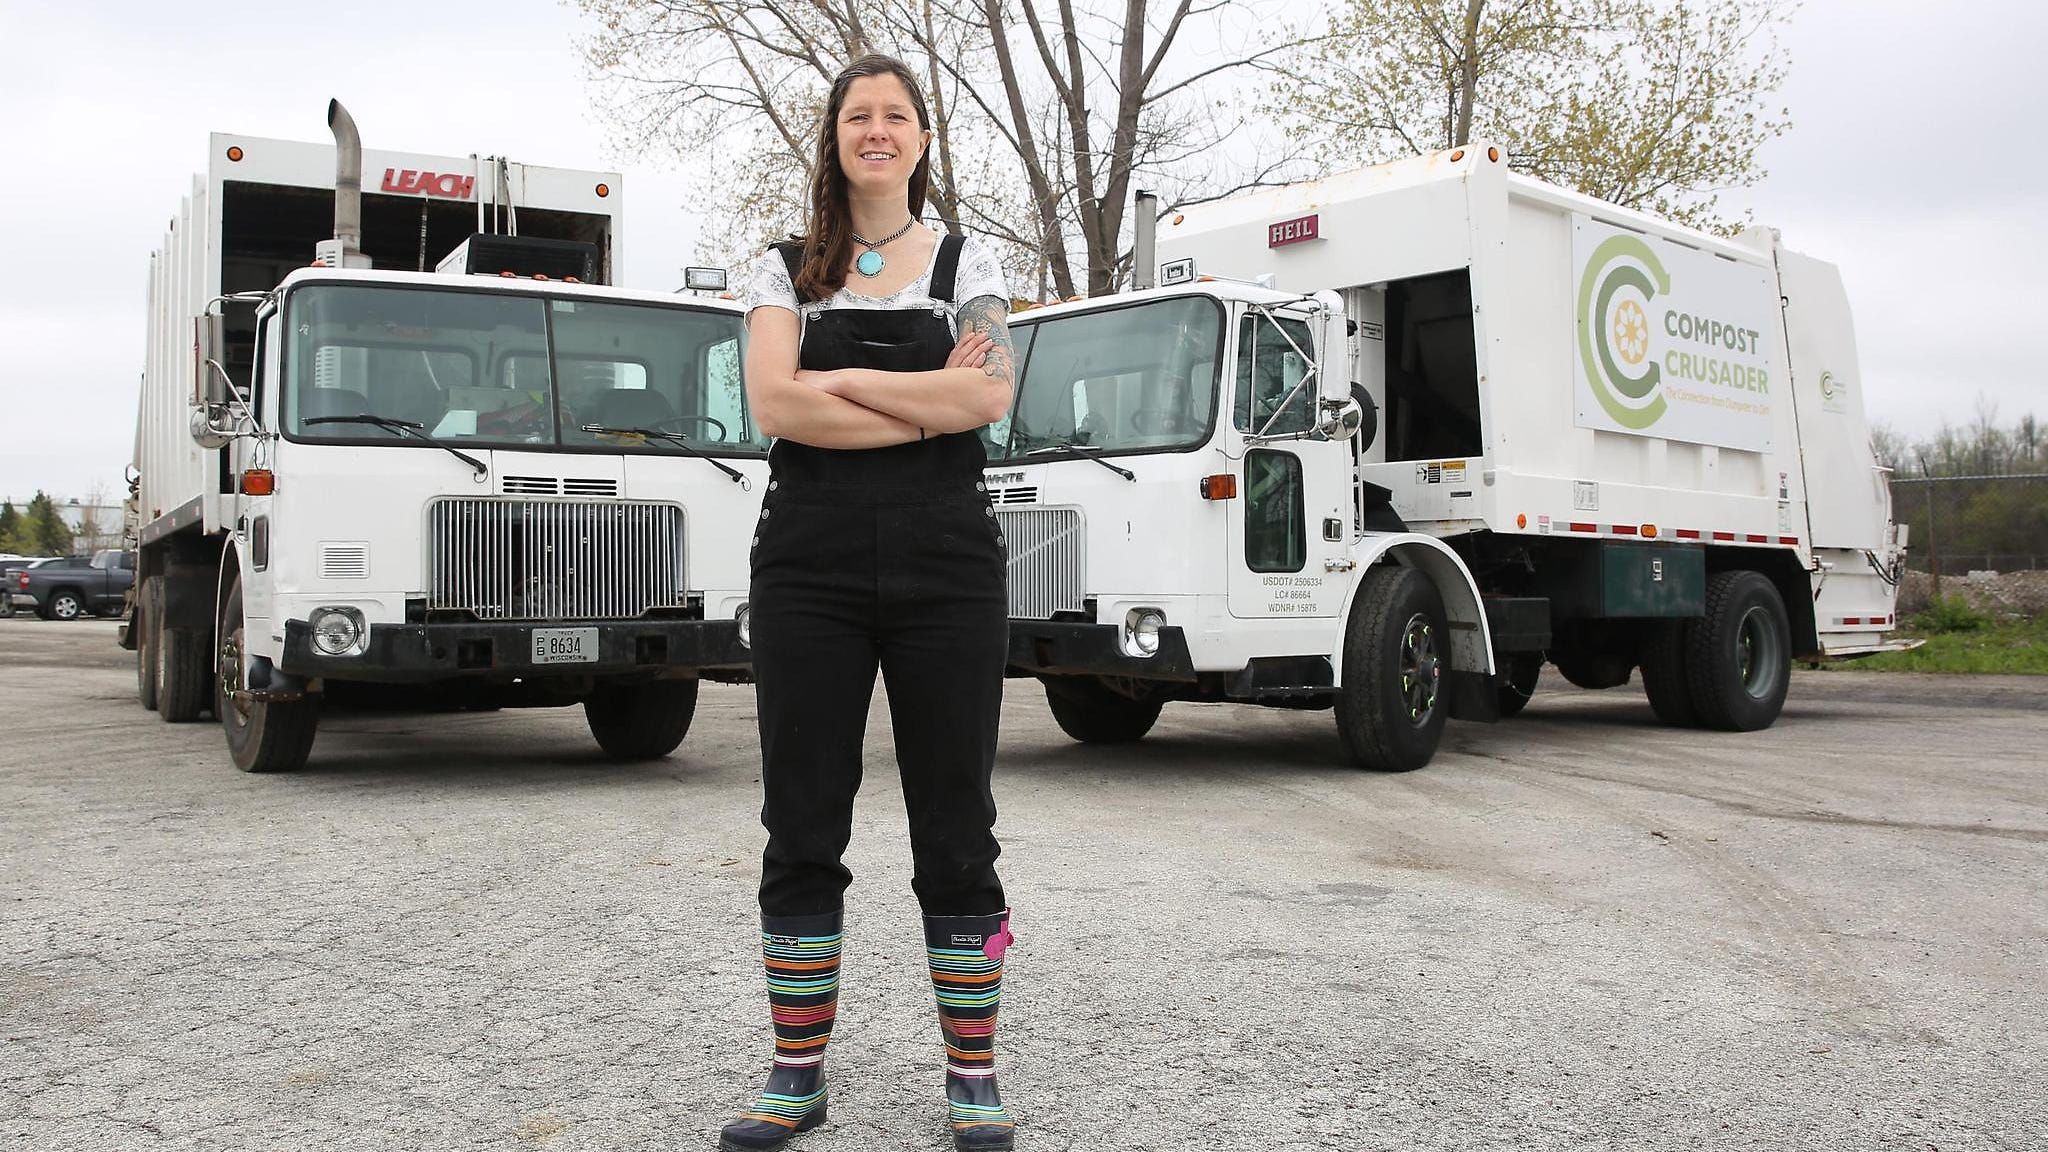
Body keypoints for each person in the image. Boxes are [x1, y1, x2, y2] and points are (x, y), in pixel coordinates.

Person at [719, 54, 1019, 1152]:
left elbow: (992, 391)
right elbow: (769, 404)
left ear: (923, 139)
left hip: (949, 567)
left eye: (896, 115)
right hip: (809, 569)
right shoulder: (782, 267)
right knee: (802, 820)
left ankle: (972, 1077)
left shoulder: (970, 260)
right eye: (858, 116)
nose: (876, 130)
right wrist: (926, 405)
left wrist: (839, 385)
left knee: (956, 824)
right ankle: (796, 1073)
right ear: (834, 137)